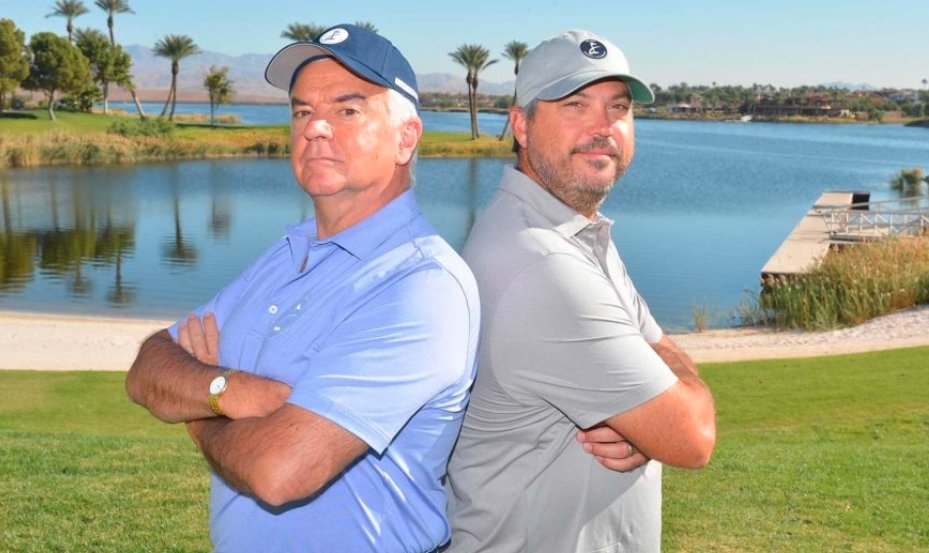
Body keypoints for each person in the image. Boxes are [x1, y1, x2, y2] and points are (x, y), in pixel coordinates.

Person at [125, 24, 480, 553]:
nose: (315, 128)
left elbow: (279, 471)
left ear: (406, 137)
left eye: (347, 110)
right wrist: (234, 393)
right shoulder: (287, 252)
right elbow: (148, 368)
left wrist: (198, 412)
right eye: (301, 111)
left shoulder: (424, 286)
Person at [445, 30, 717, 552]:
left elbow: (657, 348)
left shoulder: (575, 230)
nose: (604, 127)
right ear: (521, 125)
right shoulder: (542, 264)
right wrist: (663, 408)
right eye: (576, 105)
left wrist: (642, 417)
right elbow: (692, 437)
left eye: (618, 107)